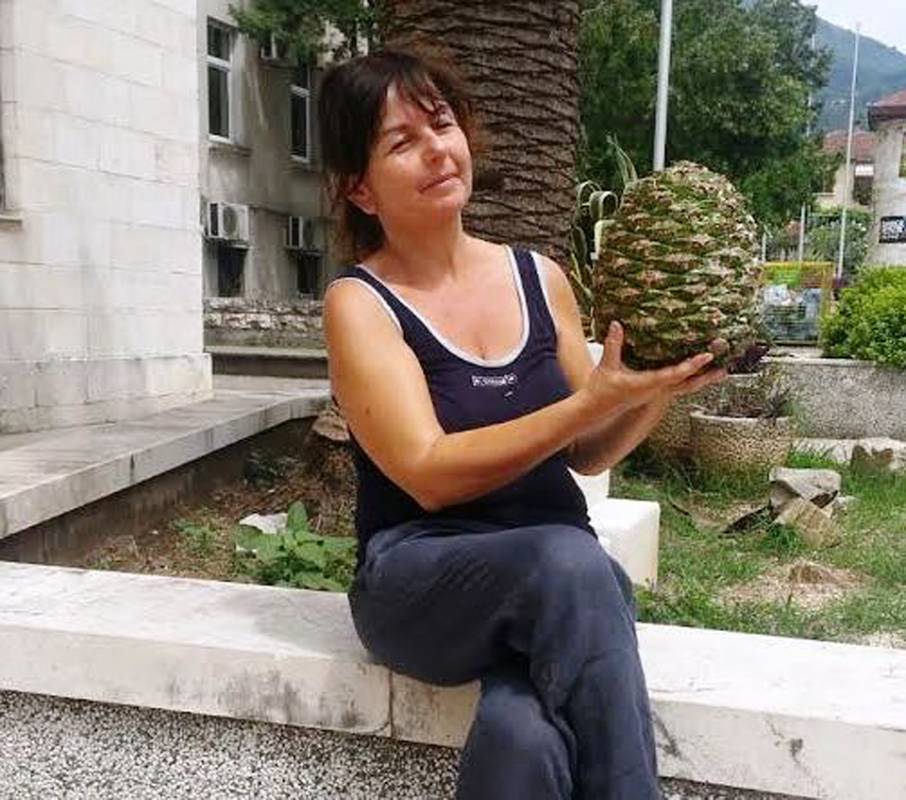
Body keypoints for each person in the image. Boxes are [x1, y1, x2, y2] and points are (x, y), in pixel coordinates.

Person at [319, 49, 725, 800]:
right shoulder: (361, 304)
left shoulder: (540, 279)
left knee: (522, 736)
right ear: (359, 188)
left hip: (557, 590)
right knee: (572, 563)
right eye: (401, 141)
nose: (437, 149)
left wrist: (661, 385)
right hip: (420, 577)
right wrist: (589, 402)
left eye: (442, 123)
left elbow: (587, 452)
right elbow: (428, 473)